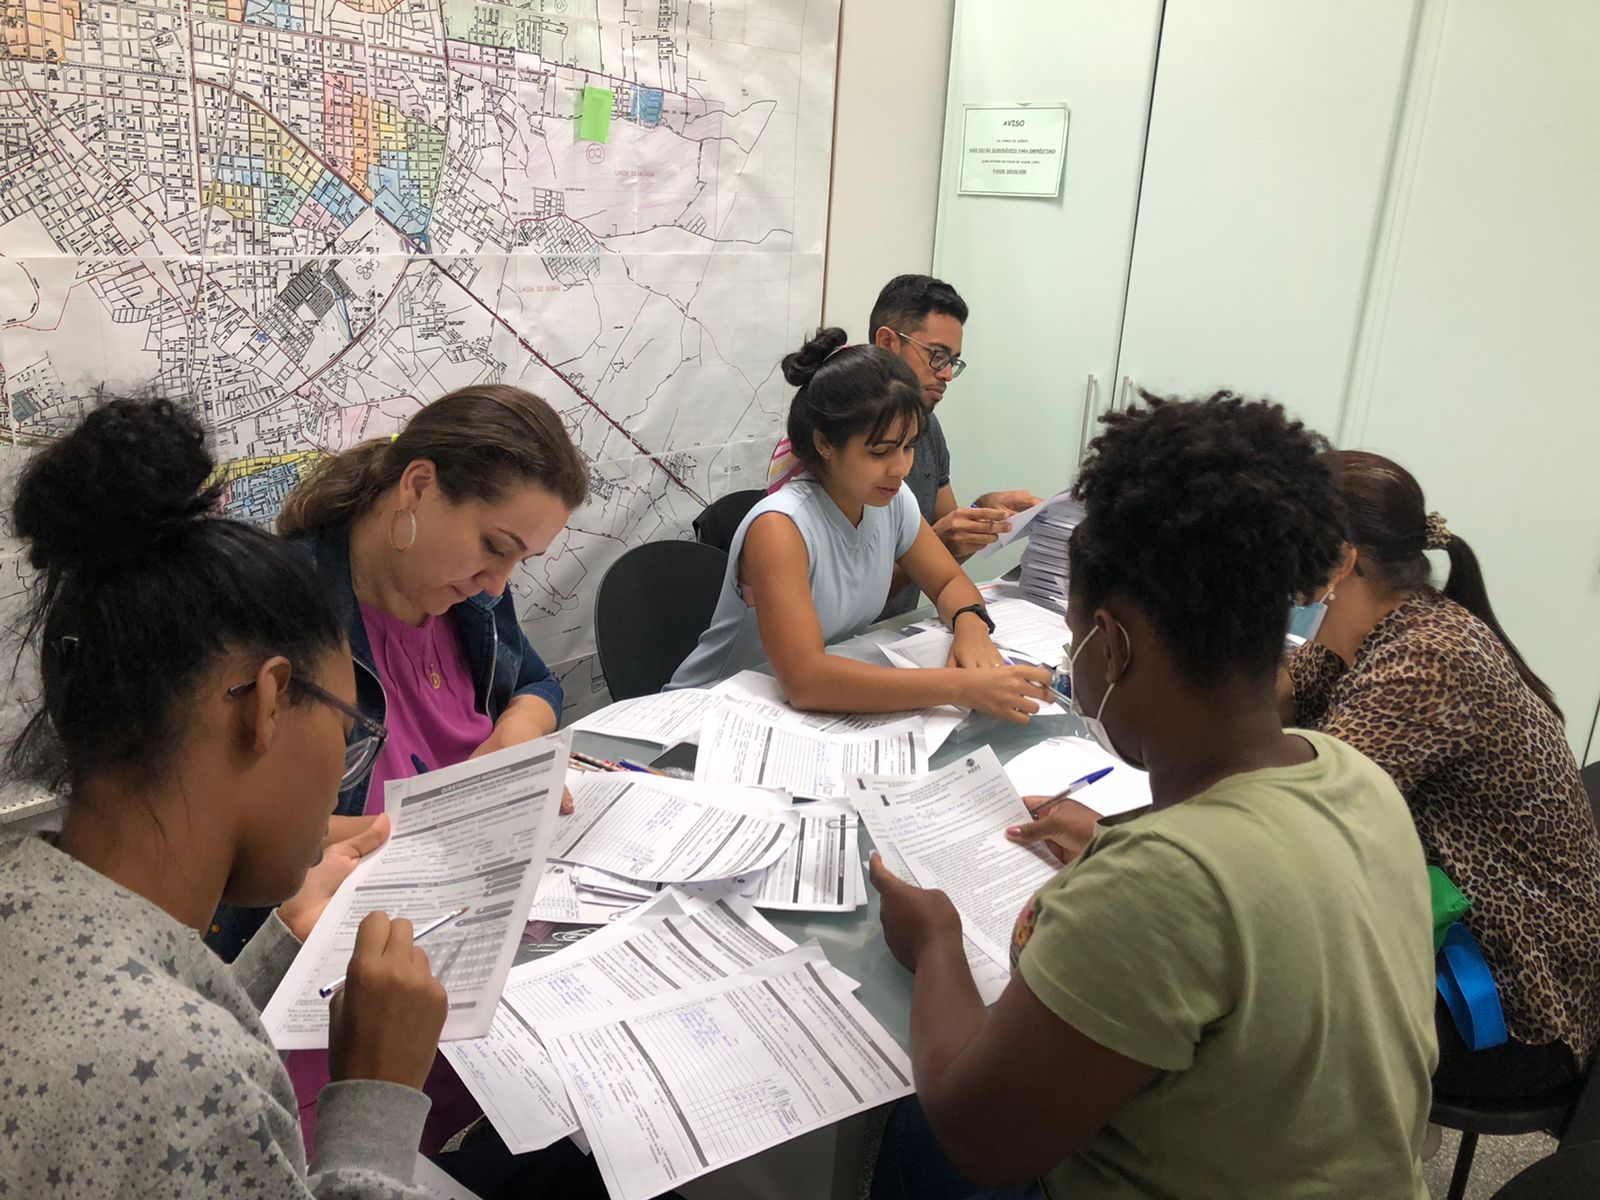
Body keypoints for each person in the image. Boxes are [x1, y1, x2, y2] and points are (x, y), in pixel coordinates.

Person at [869, 394, 1438, 1199]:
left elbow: (980, 1140)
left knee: (917, 1125)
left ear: (1112, 644)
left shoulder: (1161, 888)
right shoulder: (1355, 776)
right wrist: (1115, 841)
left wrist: (935, 942)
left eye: (1073, 639)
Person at [0, 398, 446, 1198]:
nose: (341, 768)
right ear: (266, 705)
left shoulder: (29, 897)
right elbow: (170, 1077)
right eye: (346, 730)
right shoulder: (184, 1079)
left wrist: (279, 945)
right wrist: (376, 1090)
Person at [224, 385, 590, 1155]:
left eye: (521, 560)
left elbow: (536, 684)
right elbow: (225, 833)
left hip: (476, 931)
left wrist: (520, 730)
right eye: (494, 546)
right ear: (418, 487)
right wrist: (381, 841)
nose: (499, 581)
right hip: (343, 966)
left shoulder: (469, 599)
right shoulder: (283, 611)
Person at [1282, 449, 1600, 1101]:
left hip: (1516, 998)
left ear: (1340, 561)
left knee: (1253, 1010)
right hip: (1446, 930)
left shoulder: (1427, 659)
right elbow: (1279, 698)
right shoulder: (1381, 625)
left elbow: (1301, 813)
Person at [671, 327, 1053, 722]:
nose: (900, 468)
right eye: (881, 452)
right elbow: (806, 681)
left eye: (908, 447)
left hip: (796, 713)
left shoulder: (892, 501)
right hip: (707, 710)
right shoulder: (780, 527)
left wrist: (971, 627)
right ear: (824, 443)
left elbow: (947, 582)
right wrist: (961, 686)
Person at [768, 275, 1042, 618]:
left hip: (891, 632)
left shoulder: (924, 429)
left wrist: (981, 513)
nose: (947, 374)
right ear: (888, 342)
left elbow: (944, 550)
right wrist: (940, 545)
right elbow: (836, 601)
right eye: (937, 355)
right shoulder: (825, 450)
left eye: (953, 361)